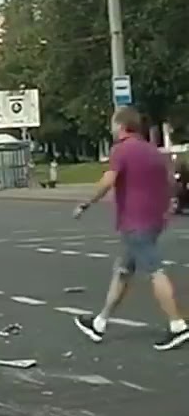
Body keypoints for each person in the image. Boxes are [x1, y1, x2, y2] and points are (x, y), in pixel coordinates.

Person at [72, 106, 188, 351]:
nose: (112, 130)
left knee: (155, 270)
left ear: (122, 126)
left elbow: (108, 181)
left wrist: (85, 203)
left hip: (136, 222)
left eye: (113, 125)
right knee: (123, 271)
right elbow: (169, 183)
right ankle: (100, 322)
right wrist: (167, 208)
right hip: (153, 220)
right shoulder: (153, 151)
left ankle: (178, 325)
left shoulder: (121, 150)